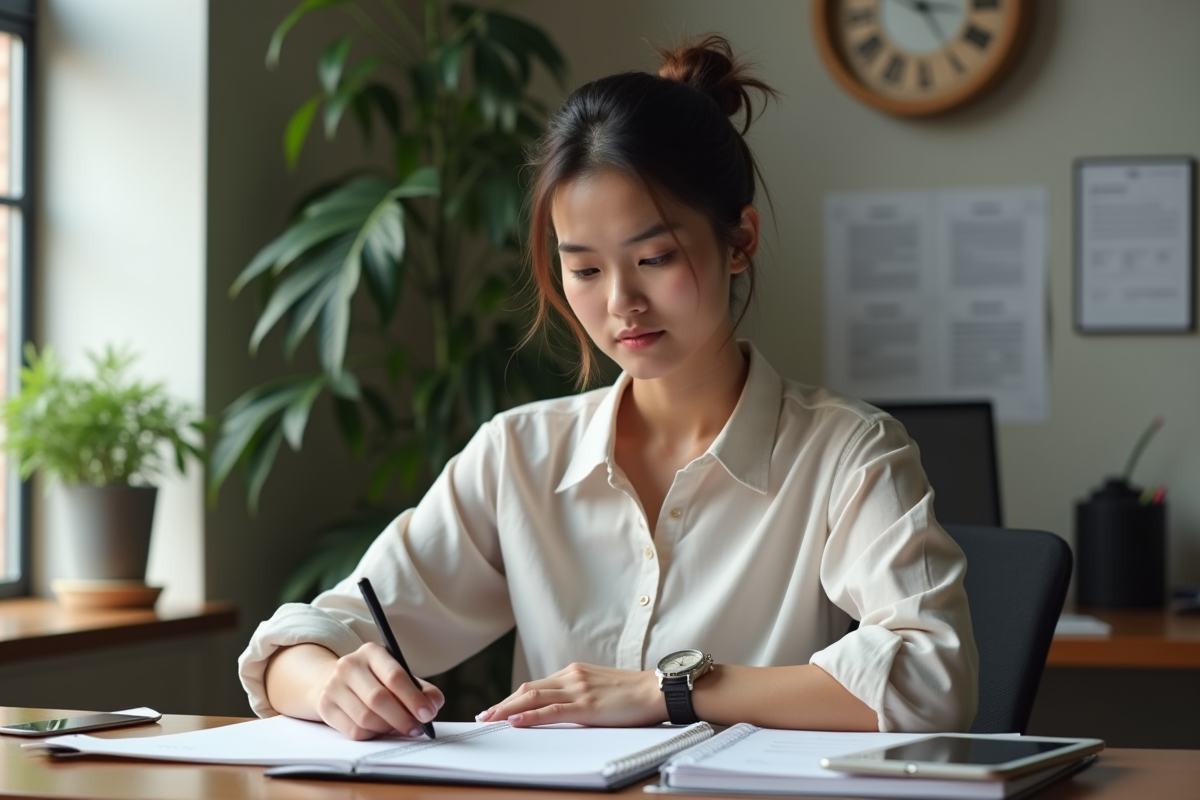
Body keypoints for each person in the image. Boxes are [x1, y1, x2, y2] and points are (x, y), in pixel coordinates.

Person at [239, 34, 978, 741]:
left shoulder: (846, 451)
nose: (621, 301)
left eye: (653, 257)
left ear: (740, 241)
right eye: (585, 269)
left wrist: (666, 692)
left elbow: (932, 675)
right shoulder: (518, 456)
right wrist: (329, 682)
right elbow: (299, 646)